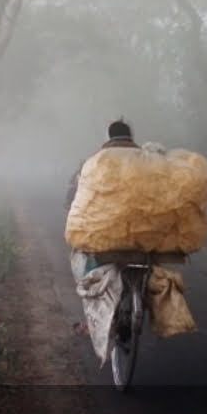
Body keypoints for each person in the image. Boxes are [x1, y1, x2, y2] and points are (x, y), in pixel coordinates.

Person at [65, 118, 140, 339]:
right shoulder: (145, 159)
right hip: (143, 232)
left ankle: (94, 321)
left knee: (87, 263)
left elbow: (83, 192)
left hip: (108, 232)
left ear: (108, 138)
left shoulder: (97, 161)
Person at [64, 118, 140, 213]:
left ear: (108, 137)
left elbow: (78, 201)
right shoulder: (148, 161)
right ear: (131, 136)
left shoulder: (95, 163)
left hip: (103, 223)